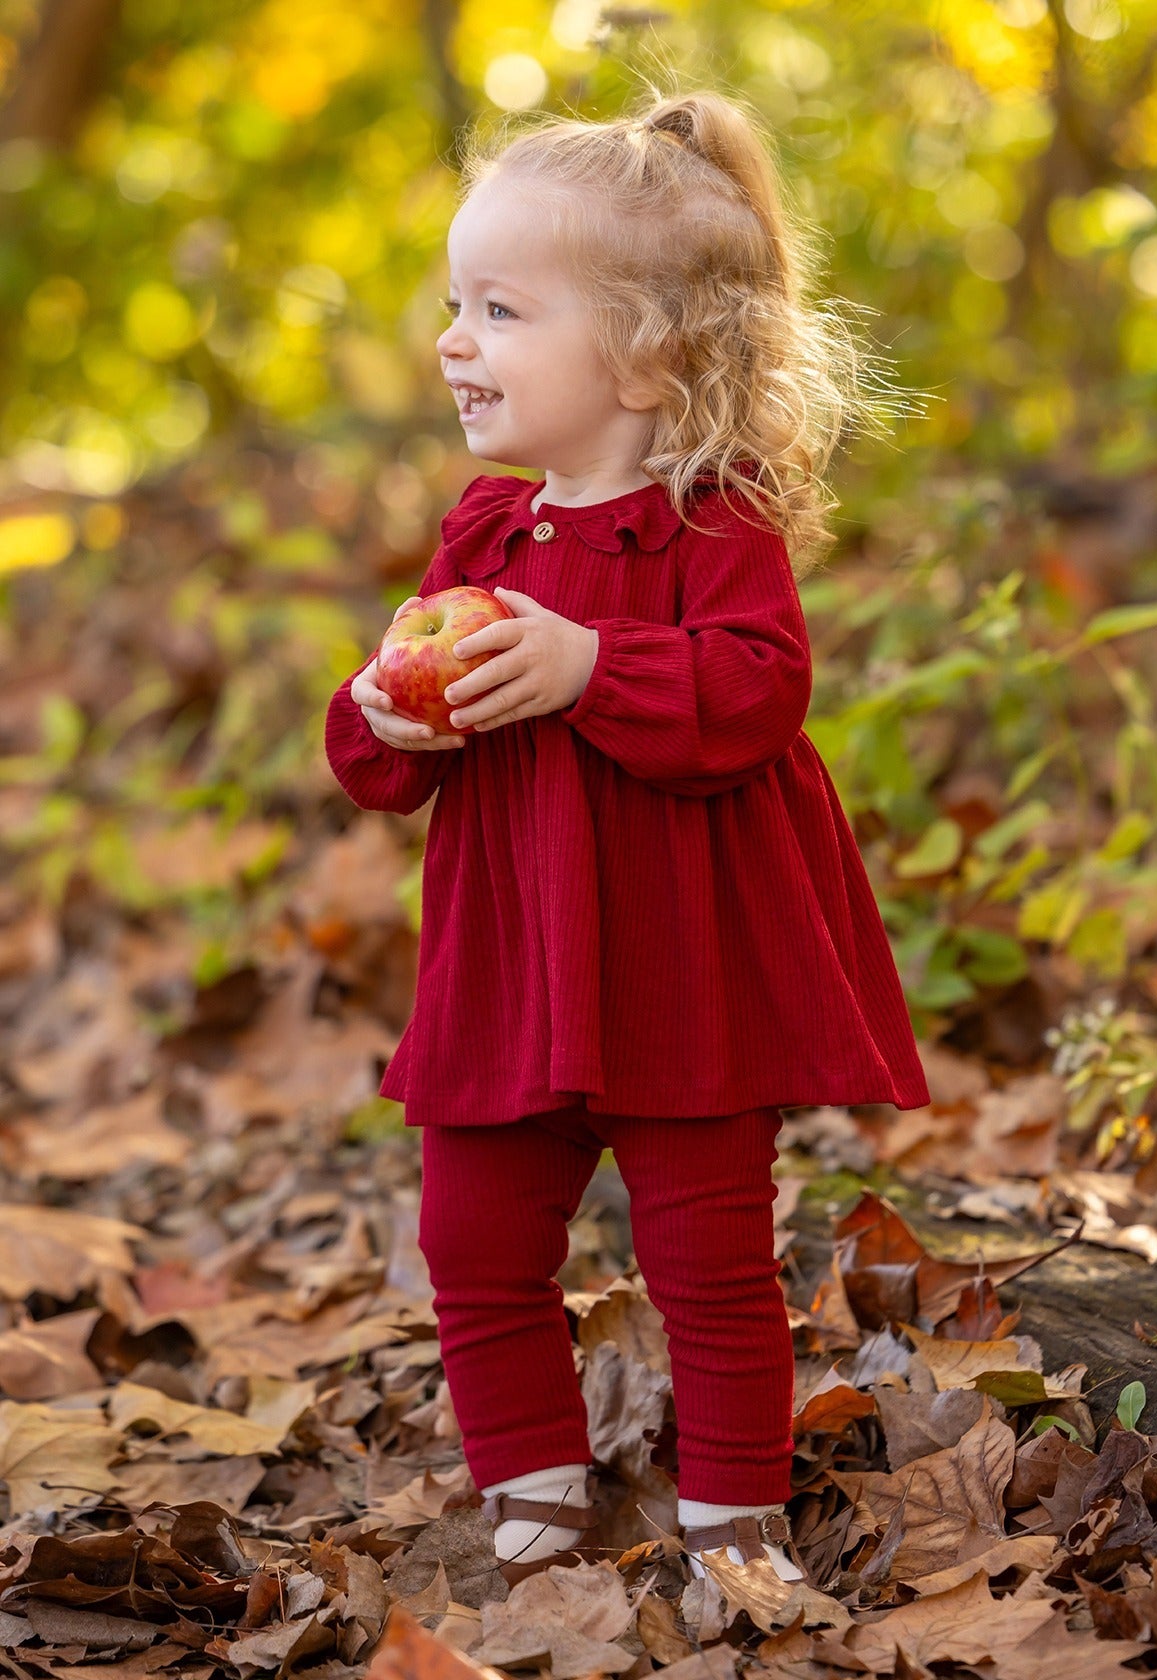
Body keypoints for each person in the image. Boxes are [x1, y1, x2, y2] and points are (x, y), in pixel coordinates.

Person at [325, 88, 931, 1590]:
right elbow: (377, 755)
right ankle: (534, 1494)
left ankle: (735, 1520)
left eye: (500, 309)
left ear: (651, 355)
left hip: (683, 972)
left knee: (707, 1258)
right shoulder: (483, 539)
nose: (453, 341)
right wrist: (388, 715)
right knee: (474, 1241)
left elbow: (758, 693)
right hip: (512, 967)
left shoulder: (714, 525)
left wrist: (592, 664)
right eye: (455, 303)